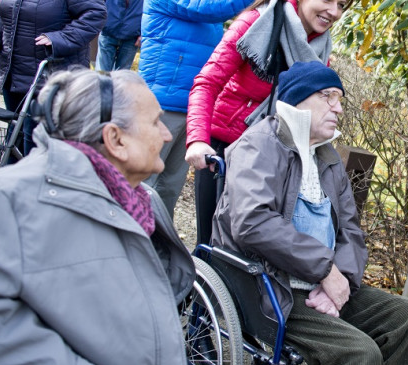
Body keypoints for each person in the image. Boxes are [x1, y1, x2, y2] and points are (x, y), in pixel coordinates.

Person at [0, 69, 228, 365]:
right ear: (115, 139)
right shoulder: (1, 203)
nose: (167, 136)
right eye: (156, 123)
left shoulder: (138, 198)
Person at [211, 61, 408, 365]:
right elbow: (252, 223)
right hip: (267, 285)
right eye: (328, 96)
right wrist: (324, 269)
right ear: (297, 99)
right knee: (358, 356)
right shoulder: (259, 145)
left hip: (316, 281)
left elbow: (351, 230)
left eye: (340, 99)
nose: (339, 108)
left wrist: (339, 279)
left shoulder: (325, 157)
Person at [186, 0, 345, 245]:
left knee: (255, 246)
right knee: (212, 243)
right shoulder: (256, 23)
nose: (334, 12)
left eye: (342, 4)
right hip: (226, 149)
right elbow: (206, 83)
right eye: (327, 0)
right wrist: (197, 140)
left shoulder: (319, 49)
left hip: (272, 156)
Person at [138, 0, 255, 216]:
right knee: (142, 182)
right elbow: (212, 9)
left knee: (170, 187)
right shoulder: (197, 5)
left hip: (195, 110)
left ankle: (161, 245)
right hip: (161, 104)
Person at [0, 0, 106, 155]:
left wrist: (60, 39)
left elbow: (96, 14)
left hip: (51, 76)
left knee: (34, 143)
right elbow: (4, 14)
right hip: (13, 73)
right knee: (14, 138)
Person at [95, 0, 142, 71]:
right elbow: (97, 4)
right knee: (102, 72)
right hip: (108, 32)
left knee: (123, 75)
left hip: (132, 37)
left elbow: (151, 13)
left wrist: (142, 34)